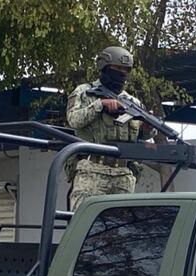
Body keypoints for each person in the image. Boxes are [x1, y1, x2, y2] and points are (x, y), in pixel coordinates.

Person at [65, 46, 153, 211]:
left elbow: (143, 135)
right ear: (104, 67)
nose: (121, 73)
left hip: (124, 174)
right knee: (84, 223)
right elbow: (73, 120)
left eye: (125, 70)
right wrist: (99, 105)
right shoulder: (85, 92)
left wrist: (149, 127)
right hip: (92, 170)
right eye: (117, 68)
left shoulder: (132, 102)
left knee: (120, 229)